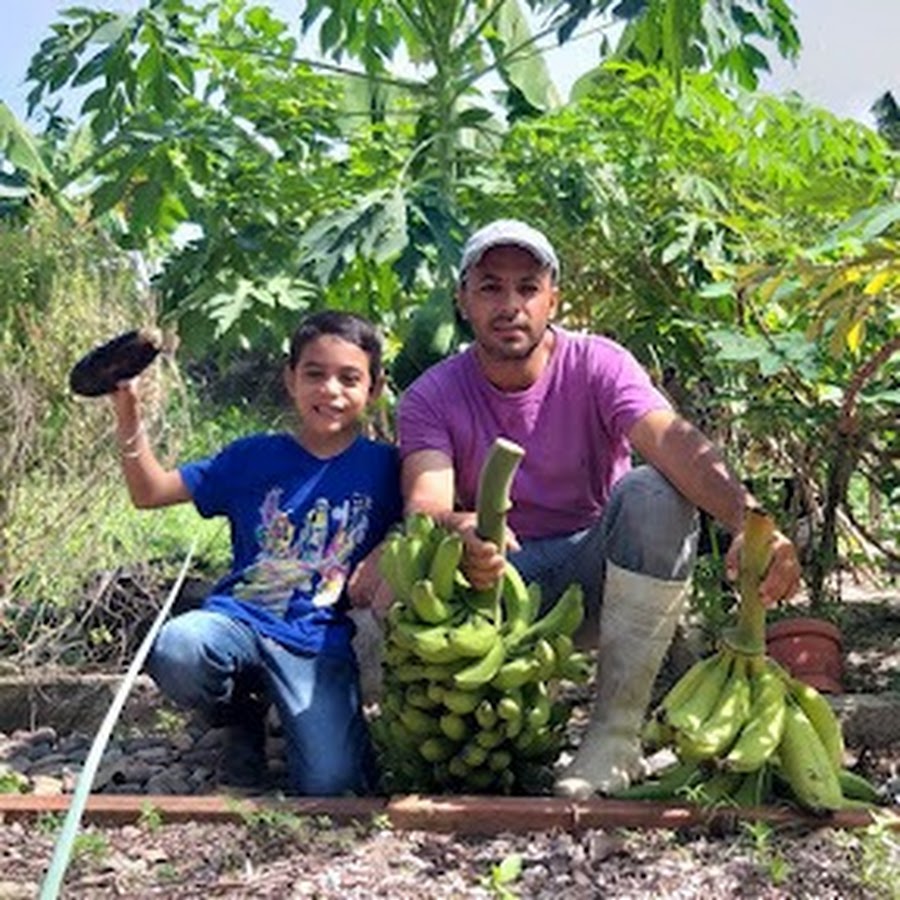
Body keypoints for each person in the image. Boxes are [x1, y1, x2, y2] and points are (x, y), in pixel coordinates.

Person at [396, 219, 802, 797]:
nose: (510, 305)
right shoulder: (431, 394)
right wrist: (456, 529)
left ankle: (615, 733)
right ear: (462, 300)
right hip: (490, 581)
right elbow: (426, 502)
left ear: (553, 298)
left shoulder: (598, 363)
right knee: (393, 588)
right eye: (489, 287)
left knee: (656, 490)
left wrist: (754, 523)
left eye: (528, 287)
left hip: (594, 576)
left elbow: (674, 443)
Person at [110, 310, 402, 795]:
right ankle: (237, 711)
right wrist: (128, 414)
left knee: (332, 785)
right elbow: (151, 492)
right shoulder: (252, 457)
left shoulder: (387, 467)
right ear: (290, 379)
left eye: (349, 378)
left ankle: (290, 710)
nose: (330, 390)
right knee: (178, 648)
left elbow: (427, 518)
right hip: (240, 620)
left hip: (317, 640)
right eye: (314, 374)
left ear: (374, 389)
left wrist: (390, 548)